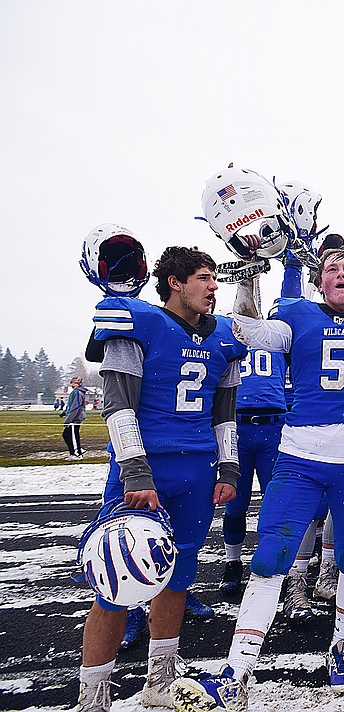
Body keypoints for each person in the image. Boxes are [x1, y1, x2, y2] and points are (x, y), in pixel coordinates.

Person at [170, 227, 344, 709]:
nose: (340, 273)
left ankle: (340, 648)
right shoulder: (297, 316)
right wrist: (250, 274)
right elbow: (249, 331)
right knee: (270, 556)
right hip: (299, 456)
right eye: (331, 267)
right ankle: (238, 668)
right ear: (318, 281)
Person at [77, 247, 247, 712]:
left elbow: (224, 413)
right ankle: (92, 698)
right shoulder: (139, 322)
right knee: (116, 582)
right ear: (174, 282)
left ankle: (160, 681)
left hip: (197, 471)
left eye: (214, 278)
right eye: (203, 277)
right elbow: (118, 404)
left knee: (178, 579)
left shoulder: (224, 337)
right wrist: (135, 469)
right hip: (145, 469)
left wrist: (229, 468)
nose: (213, 286)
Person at [219, 347, 288, 596]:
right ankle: (233, 562)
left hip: (273, 427)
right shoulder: (228, 337)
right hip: (238, 427)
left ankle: (272, 561)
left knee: (276, 503)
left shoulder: (279, 337)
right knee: (235, 503)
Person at [63, 376, 90, 459]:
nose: (72, 384)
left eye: (75, 383)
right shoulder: (76, 392)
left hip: (75, 418)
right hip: (74, 417)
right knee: (67, 434)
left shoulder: (77, 393)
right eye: (72, 382)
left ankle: (77, 454)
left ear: (79, 384)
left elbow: (75, 407)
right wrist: (64, 413)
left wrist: (68, 420)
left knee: (72, 435)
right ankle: (78, 450)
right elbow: (71, 405)